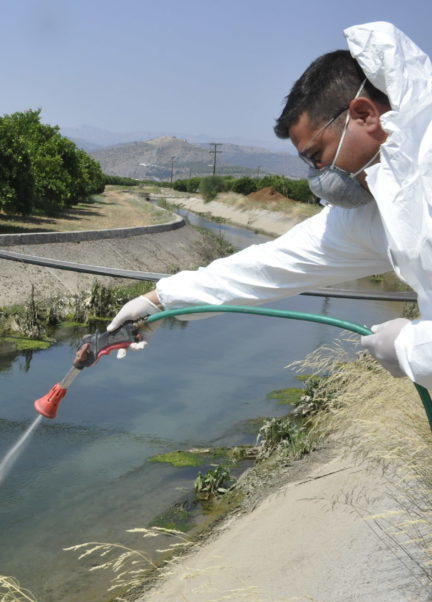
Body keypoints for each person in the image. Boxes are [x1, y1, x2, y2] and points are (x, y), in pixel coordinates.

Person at [106, 22, 432, 389]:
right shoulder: (379, 204)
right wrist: (159, 300)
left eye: (317, 155)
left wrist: (411, 347)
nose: (318, 174)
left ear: (364, 115)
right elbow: (272, 265)